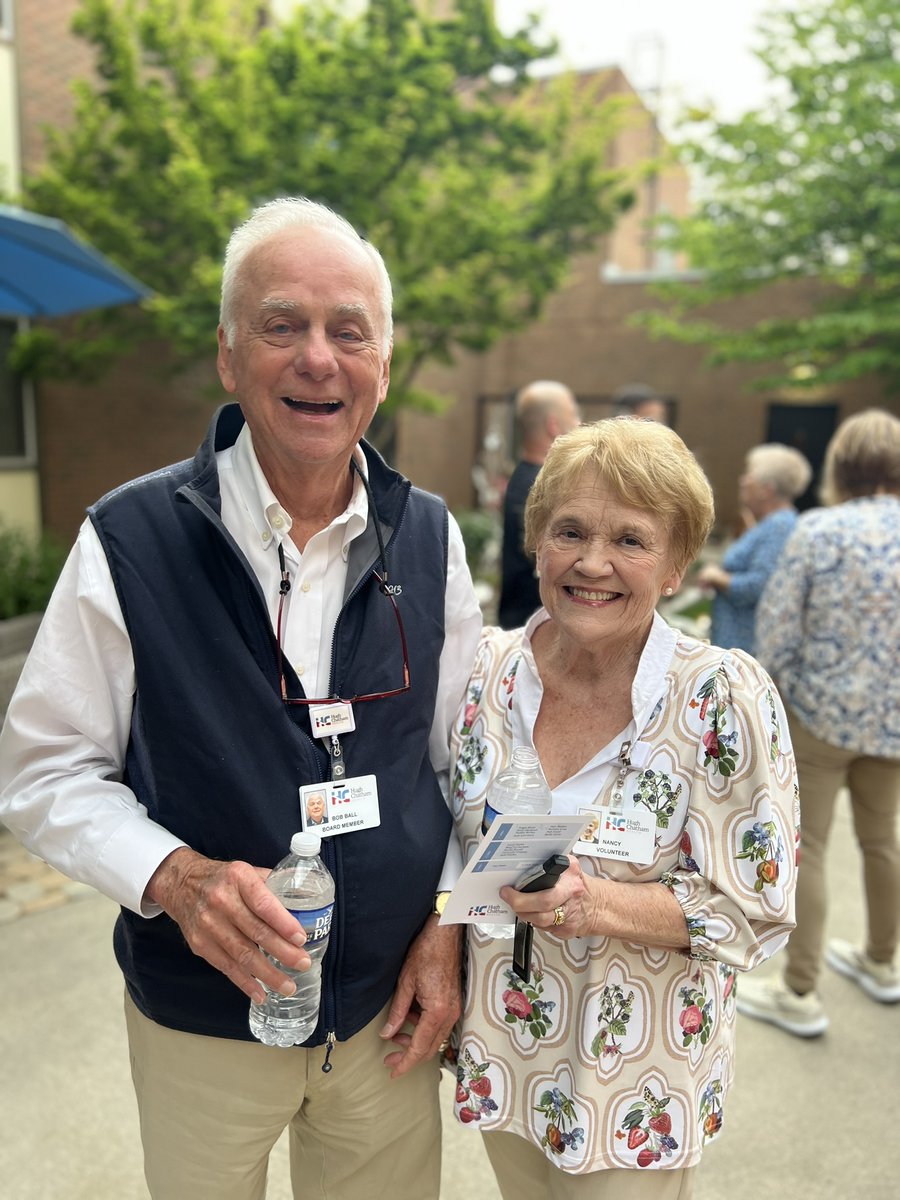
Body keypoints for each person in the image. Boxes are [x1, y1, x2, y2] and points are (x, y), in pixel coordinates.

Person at [0, 197, 483, 1200]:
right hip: (204, 1024)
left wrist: (446, 928)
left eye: (348, 331)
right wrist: (176, 877)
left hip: (383, 1025)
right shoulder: (129, 540)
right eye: (281, 324)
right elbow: (44, 768)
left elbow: (466, 770)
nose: (318, 357)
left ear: (383, 368)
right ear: (229, 356)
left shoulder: (432, 541)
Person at [447, 417, 798, 1197]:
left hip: (638, 1088)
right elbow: (447, 837)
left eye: (632, 541)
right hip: (506, 1055)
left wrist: (592, 901)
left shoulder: (720, 698)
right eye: (569, 531)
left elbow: (757, 908)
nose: (593, 563)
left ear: (676, 566)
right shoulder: (486, 673)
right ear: (537, 542)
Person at [738, 408, 900, 1037]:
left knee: (811, 847)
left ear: (842, 464)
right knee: (882, 840)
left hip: (820, 717)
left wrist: (767, 698)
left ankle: (800, 989)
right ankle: (883, 960)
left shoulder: (820, 530)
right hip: (891, 722)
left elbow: (778, 627)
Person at [696, 443, 812, 654]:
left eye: (749, 474)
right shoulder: (770, 524)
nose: (743, 480)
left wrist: (716, 577)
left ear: (766, 490)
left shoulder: (779, 526)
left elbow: (760, 585)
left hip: (746, 643)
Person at [498, 380, 580, 630]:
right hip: (534, 625)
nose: (579, 423)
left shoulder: (523, 478)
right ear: (553, 425)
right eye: (574, 415)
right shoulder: (542, 487)